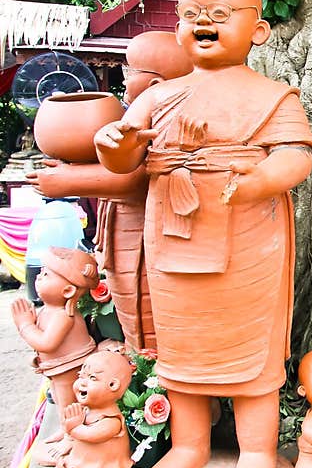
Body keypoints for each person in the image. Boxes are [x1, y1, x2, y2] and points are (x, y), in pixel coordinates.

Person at [94, 0, 312, 468]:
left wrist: (260, 180)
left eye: (219, 12)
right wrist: (117, 146)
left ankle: (258, 452)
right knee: (182, 346)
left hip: (250, 238)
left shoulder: (273, 95)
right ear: (179, 29)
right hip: (173, 232)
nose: (204, 21)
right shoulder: (156, 97)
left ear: (257, 30)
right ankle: (188, 446)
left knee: (251, 350)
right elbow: (122, 155)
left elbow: (297, 156)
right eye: (192, 13)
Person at [26, 31, 194, 352]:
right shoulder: (131, 118)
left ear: (156, 86)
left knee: (153, 319)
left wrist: (66, 181)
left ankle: (156, 380)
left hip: (153, 244)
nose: (124, 77)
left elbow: (134, 178)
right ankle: (143, 374)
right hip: (124, 240)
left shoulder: (167, 125)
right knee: (134, 320)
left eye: (130, 71)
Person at [12, 246, 100, 454]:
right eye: (41, 273)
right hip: (57, 368)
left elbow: (47, 343)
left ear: (68, 291)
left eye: (46, 275)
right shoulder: (51, 311)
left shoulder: (63, 316)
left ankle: (72, 437)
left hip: (69, 368)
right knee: (60, 401)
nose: (38, 278)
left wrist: (25, 325)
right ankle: (65, 429)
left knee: (69, 403)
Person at [51, 349, 134, 468]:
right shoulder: (86, 410)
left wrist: (74, 428)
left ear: (113, 385)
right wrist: (70, 426)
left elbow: (92, 435)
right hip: (84, 462)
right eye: (81, 376)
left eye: (92, 378)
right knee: (44, 456)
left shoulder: (112, 420)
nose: (82, 383)